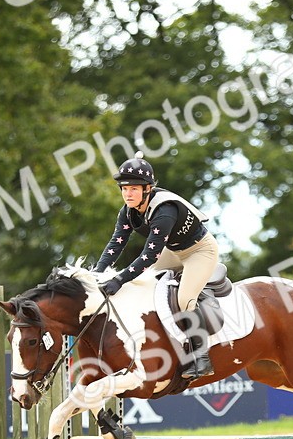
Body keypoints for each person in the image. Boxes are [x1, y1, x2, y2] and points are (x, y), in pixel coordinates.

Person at [93, 152, 219, 379]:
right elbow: (116, 244)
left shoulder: (164, 210)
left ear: (147, 189)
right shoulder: (128, 212)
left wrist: (119, 279)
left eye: (133, 188)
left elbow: (149, 256)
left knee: (185, 300)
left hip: (200, 251)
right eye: (124, 188)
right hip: (175, 251)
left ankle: (201, 357)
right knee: (145, 288)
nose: (127, 194)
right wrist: (97, 274)